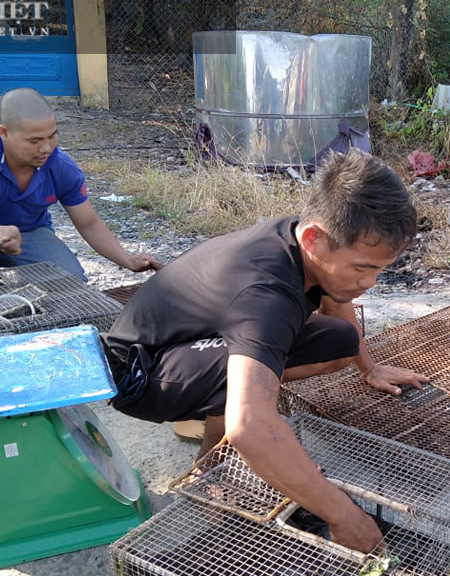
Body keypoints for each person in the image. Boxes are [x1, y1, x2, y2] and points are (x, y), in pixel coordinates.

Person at [101, 149, 429, 554]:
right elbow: (250, 426)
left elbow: (336, 296)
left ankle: (215, 446)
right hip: (139, 374)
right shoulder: (266, 294)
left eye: (379, 270)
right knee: (251, 407)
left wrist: (370, 367)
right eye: (362, 268)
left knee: (342, 339)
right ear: (315, 239)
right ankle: (208, 466)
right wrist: (344, 516)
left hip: (196, 345)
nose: (370, 283)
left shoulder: (303, 243)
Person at [0, 87, 160, 281]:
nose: (46, 148)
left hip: (31, 232)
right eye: (34, 140)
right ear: (4, 133)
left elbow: (89, 222)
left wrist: (126, 260)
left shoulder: (61, 166)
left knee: (70, 280)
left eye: (52, 136)